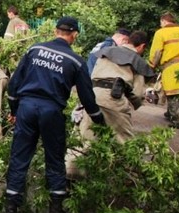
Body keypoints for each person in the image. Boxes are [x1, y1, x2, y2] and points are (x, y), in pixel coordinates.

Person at [3, 16, 106, 213]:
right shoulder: (76, 61)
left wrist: (15, 110)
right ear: (74, 34)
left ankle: (11, 212)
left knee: (19, 158)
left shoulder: (34, 50)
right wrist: (99, 120)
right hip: (51, 112)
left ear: (55, 31)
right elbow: (87, 98)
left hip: (27, 108)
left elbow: (14, 85)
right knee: (55, 160)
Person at [65, 31, 157, 178]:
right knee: (125, 141)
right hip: (114, 100)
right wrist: (138, 100)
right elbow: (138, 94)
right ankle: (131, 177)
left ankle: (70, 176)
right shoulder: (136, 60)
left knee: (84, 138)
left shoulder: (105, 52)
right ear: (142, 46)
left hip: (91, 97)